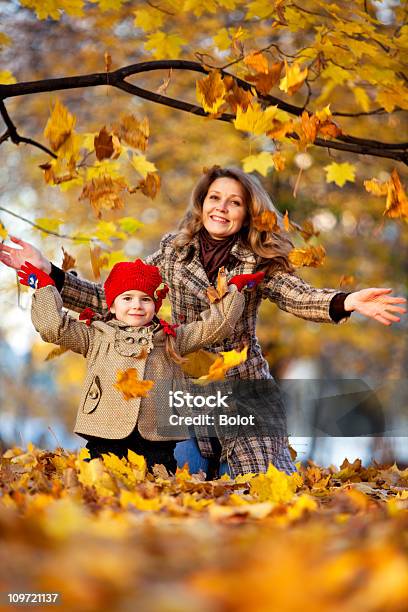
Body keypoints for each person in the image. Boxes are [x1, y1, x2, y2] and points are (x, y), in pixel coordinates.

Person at [1, 166, 406, 478]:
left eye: (234, 202)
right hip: (181, 391)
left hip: (242, 389)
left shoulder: (258, 261)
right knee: (178, 488)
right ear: (202, 203)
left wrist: (345, 301)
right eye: (215, 197)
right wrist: (50, 273)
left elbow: (297, 296)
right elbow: (117, 302)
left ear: (248, 212)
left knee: (264, 488)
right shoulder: (173, 253)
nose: (221, 207)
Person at [17, 258, 258, 473]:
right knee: (101, 480)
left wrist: (234, 290)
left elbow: (214, 327)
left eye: (145, 299)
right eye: (127, 298)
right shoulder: (95, 335)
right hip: (105, 429)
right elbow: (54, 328)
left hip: (156, 435)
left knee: (159, 481)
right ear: (111, 305)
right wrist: (46, 288)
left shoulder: (171, 339)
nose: (136, 305)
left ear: (155, 305)